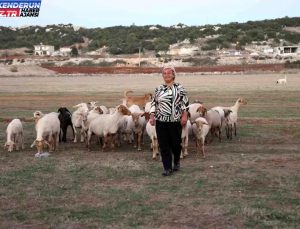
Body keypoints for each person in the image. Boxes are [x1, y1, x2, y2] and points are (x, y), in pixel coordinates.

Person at [149, 66, 189, 176]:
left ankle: (176, 161)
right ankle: (167, 168)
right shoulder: (158, 89)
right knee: (163, 145)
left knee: (176, 144)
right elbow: (154, 103)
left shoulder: (180, 88)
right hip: (161, 121)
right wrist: (152, 116)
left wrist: (184, 116)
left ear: (173, 75)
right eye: (165, 73)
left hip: (175, 121)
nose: (167, 75)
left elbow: (185, 104)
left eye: (169, 73)